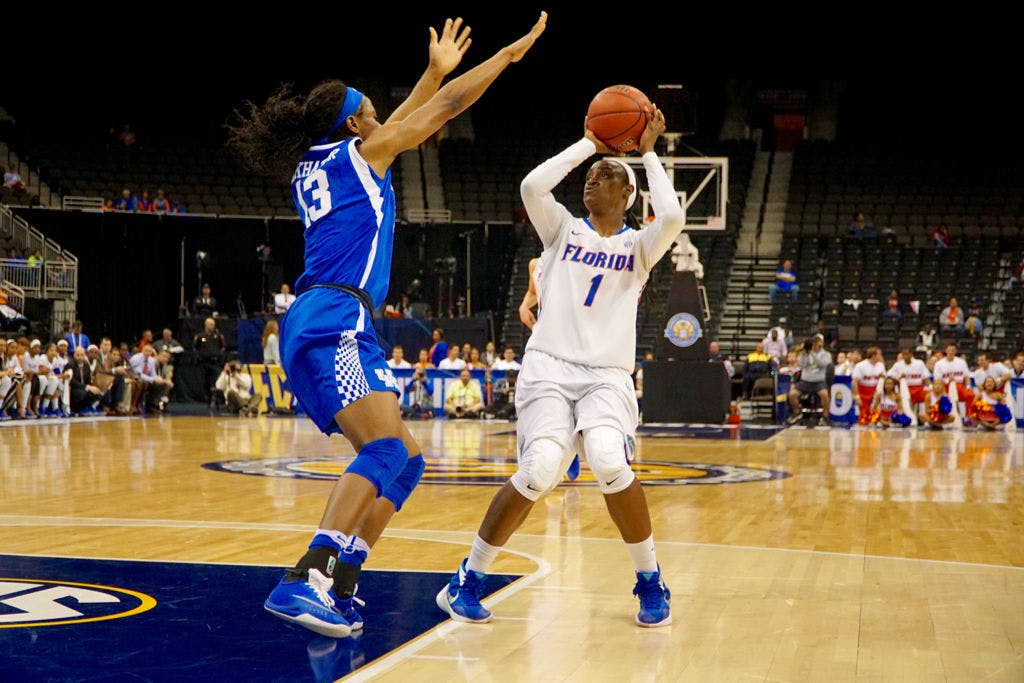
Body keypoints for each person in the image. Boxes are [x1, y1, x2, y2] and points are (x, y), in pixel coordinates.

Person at [226, 13, 547, 638]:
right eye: (374, 111)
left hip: (329, 317)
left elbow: (405, 121)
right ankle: (304, 577)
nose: (385, 119)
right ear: (353, 123)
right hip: (335, 318)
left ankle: (344, 579)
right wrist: (506, 57)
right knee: (381, 450)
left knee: (406, 460)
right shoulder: (357, 155)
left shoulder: (320, 164)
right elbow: (447, 107)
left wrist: (429, 71)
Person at [437, 100, 677, 629]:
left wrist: (648, 153)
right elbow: (530, 187)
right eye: (590, 176)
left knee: (609, 460)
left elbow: (675, 216)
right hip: (547, 367)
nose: (594, 180)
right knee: (541, 469)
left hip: (606, 376)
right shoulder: (562, 230)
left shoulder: (640, 246)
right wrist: (592, 143)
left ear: (628, 195)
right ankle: (468, 579)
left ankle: (649, 578)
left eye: (607, 176)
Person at [786, 336, 832, 426]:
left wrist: (813, 354)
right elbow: (802, 365)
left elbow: (822, 364)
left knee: (825, 395)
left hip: (819, 382)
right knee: (792, 394)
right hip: (805, 381)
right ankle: (796, 413)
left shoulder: (826, 354)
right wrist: (804, 353)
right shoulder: (804, 354)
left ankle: (825, 416)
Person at [887, 348, 931, 416]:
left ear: (911, 354)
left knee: (930, 395)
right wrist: (899, 378)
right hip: (904, 390)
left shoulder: (919, 363)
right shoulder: (898, 365)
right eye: (903, 355)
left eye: (906, 354)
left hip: (918, 390)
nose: (905, 356)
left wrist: (931, 387)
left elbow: (926, 378)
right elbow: (889, 377)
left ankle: (928, 417)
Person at [192, 317, 226, 406]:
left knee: (217, 380)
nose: (213, 326)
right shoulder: (201, 336)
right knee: (205, 382)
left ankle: (217, 400)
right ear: (206, 325)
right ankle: (208, 399)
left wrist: (218, 355)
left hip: (215, 362)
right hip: (204, 362)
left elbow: (222, 347)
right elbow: (196, 347)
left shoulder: (218, 336)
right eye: (211, 324)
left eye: (214, 324)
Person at [851, 346, 886, 425]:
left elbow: (884, 379)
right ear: (873, 356)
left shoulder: (880, 366)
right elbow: (854, 381)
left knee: (874, 416)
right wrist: (857, 396)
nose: (881, 357)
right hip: (863, 391)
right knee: (863, 417)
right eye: (879, 355)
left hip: (875, 392)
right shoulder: (860, 366)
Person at [519, 256, 542, 330]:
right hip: (545, 327)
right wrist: (524, 306)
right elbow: (533, 292)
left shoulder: (575, 263)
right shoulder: (535, 264)